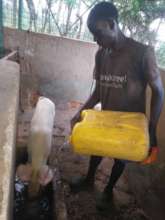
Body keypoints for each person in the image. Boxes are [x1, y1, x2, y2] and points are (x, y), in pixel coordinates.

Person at [70, 1, 164, 211]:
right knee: (96, 149)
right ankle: (88, 180)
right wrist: (80, 112)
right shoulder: (101, 55)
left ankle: (108, 190)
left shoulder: (142, 54)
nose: (95, 40)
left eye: (98, 33)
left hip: (128, 126)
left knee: (120, 160)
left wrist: (152, 129)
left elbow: (159, 91)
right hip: (105, 119)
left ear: (112, 24)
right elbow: (98, 91)